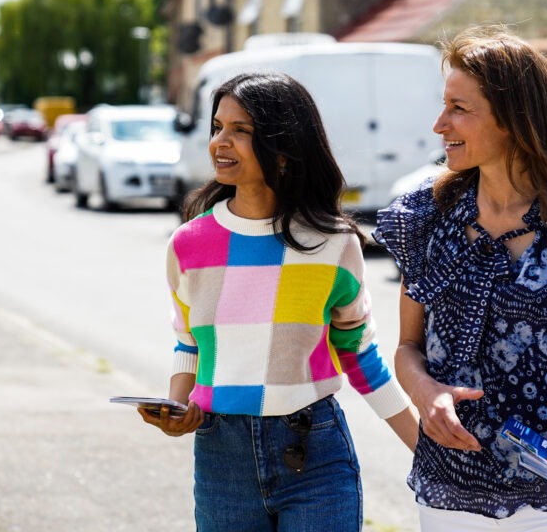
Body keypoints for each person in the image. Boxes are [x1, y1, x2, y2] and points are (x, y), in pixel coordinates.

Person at [373, 27, 547, 531]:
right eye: (444, 104)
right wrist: (426, 394)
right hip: (451, 489)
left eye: (460, 108)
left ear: (514, 119)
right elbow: (407, 347)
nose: (440, 124)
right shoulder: (423, 219)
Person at [139, 71, 419, 532]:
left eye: (241, 130)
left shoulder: (334, 244)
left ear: (284, 148)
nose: (219, 142)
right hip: (220, 456)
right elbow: (189, 343)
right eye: (217, 127)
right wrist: (177, 407)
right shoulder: (188, 244)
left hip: (316, 453)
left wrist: (424, 450)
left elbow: (357, 353)